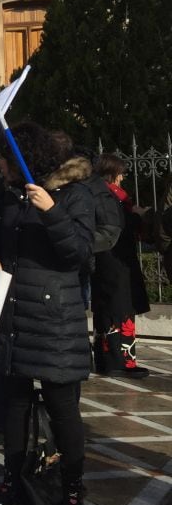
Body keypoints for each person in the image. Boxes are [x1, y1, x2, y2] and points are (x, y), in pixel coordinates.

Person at [0, 123, 95, 505]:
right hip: (15, 316)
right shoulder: (10, 196)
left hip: (54, 321)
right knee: (13, 404)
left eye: (5, 157)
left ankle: (71, 491)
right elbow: (0, 243)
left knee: (63, 408)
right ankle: (10, 481)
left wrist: (51, 211)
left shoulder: (74, 195)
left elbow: (78, 254)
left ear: (23, 160)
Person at [90, 153, 150, 378]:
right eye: (121, 173)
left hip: (107, 260)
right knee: (120, 306)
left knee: (108, 306)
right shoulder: (110, 196)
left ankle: (106, 357)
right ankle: (121, 361)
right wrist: (138, 216)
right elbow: (118, 226)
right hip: (115, 260)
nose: (122, 178)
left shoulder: (100, 193)